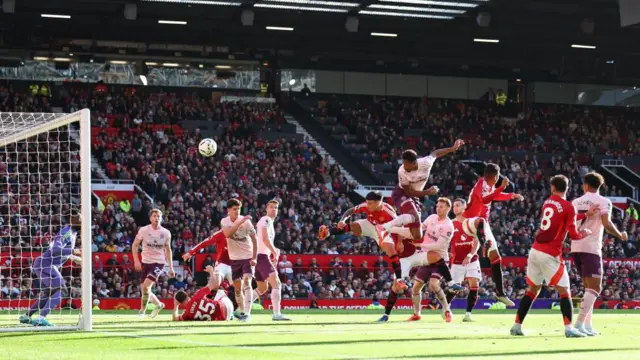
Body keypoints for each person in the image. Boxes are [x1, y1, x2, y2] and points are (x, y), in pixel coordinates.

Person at [510, 175, 592, 338]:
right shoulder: (569, 207)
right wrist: (584, 233)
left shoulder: (547, 202)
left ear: (553, 188)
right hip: (550, 254)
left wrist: (584, 214)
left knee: (532, 290)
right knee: (565, 291)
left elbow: (560, 218)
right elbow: (573, 234)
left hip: (534, 251)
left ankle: (516, 326)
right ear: (567, 188)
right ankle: (569, 328)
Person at [572, 172, 628, 336]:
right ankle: (579, 323)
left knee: (589, 288)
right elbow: (606, 222)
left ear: (585, 185)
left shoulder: (575, 202)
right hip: (590, 247)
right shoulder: (603, 201)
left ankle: (588, 326)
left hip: (576, 247)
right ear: (599, 186)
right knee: (595, 288)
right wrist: (620, 235)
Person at [461, 163, 524, 306]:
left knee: (496, 257)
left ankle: (500, 293)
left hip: (482, 226)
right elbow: (485, 199)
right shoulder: (480, 185)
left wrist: (511, 195)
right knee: (481, 221)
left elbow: (494, 196)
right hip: (470, 222)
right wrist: (502, 187)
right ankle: (484, 243)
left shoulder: (488, 186)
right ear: (496, 177)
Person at [318, 191, 407, 290]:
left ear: (379, 202)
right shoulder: (366, 205)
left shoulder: (388, 211)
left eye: (370, 203)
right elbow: (350, 210)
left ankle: (399, 280)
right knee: (354, 226)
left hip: (384, 230)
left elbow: (401, 224)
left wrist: (400, 242)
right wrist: (342, 220)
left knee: (391, 251)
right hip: (370, 224)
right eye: (367, 202)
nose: (367, 205)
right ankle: (328, 232)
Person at [382, 140, 465, 242]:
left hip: (415, 196)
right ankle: (383, 227)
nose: (404, 166)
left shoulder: (425, 163)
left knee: (417, 235)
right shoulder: (402, 171)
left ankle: (390, 229)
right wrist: (427, 192)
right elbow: (408, 192)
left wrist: (452, 148)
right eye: (403, 163)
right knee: (414, 215)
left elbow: (435, 153)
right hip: (401, 193)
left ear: (414, 163)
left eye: (406, 164)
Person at [19, 212, 82, 327]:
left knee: (49, 293)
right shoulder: (67, 232)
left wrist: (75, 258)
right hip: (46, 263)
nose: (82, 220)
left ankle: (26, 316)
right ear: (73, 220)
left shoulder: (72, 233)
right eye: (80, 218)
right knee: (61, 290)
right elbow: (55, 250)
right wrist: (72, 251)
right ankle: (41, 318)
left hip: (44, 264)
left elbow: (60, 252)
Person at [408, 198, 455, 323]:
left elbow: (437, 246)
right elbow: (421, 228)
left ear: (448, 209)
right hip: (426, 258)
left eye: (442, 207)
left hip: (439, 260)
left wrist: (419, 245)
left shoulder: (448, 226)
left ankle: (447, 310)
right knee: (415, 288)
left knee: (433, 285)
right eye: (438, 206)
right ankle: (417, 314)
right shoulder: (431, 217)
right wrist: (410, 230)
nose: (438, 208)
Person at [132, 209, 175, 319]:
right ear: (150, 218)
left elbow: (168, 250)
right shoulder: (144, 230)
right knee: (145, 289)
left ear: (161, 218)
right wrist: (136, 261)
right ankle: (159, 305)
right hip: (145, 262)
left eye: (159, 216)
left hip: (158, 262)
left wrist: (171, 267)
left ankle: (142, 311)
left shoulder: (166, 233)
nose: (157, 218)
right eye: (154, 216)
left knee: (146, 286)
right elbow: (135, 245)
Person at [446, 198, 483, 322]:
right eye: (454, 206)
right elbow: (445, 241)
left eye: (457, 205)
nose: (454, 208)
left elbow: (477, 241)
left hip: (471, 260)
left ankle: (468, 314)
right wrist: (447, 253)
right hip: (456, 262)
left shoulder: (471, 223)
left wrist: (470, 255)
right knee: (454, 289)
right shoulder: (450, 224)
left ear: (464, 207)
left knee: (474, 285)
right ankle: (446, 308)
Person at [253, 199, 291, 321]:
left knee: (262, 288)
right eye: (271, 207)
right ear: (266, 208)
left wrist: (273, 252)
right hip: (262, 257)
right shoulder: (266, 220)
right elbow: (265, 239)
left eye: (276, 207)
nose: (273, 209)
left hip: (259, 257)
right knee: (277, 284)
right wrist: (274, 251)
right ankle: (276, 314)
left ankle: (241, 309)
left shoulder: (267, 222)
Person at [220, 198, 257, 322]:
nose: (237, 211)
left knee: (247, 283)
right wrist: (240, 222)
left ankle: (247, 313)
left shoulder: (246, 222)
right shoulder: (224, 221)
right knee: (237, 288)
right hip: (234, 259)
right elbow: (227, 234)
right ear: (228, 210)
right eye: (234, 209)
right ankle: (241, 311)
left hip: (247, 257)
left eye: (239, 209)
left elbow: (254, 239)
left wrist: (254, 257)